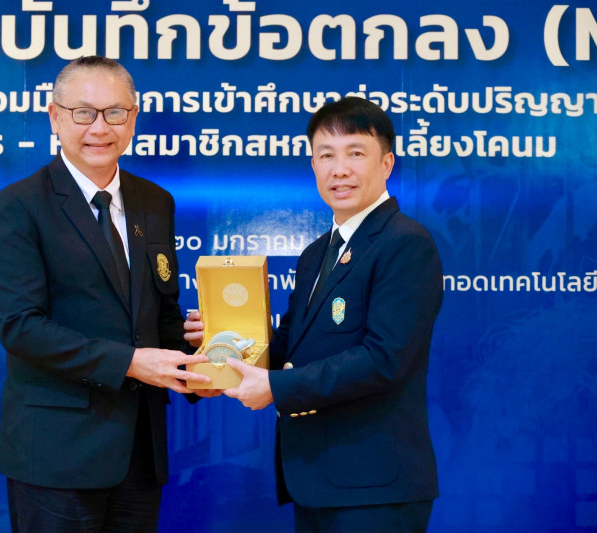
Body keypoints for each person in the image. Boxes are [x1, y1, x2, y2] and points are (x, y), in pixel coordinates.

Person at [185, 96, 443, 532]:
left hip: (373, 487)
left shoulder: (405, 243)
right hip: (317, 480)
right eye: (326, 156)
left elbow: (384, 359)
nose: (339, 170)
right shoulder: (316, 254)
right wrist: (223, 346)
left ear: (386, 164)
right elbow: (291, 348)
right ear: (313, 166)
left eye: (355, 153)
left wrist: (275, 387)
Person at [0, 55, 211, 533]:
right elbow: (20, 327)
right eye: (83, 112)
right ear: (55, 117)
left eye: (115, 112)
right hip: (56, 454)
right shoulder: (18, 205)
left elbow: (160, 315)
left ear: (133, 117)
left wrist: (199, 357)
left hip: (139, 452)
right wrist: (130, 363)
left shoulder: (155, 202)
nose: (100, 128)